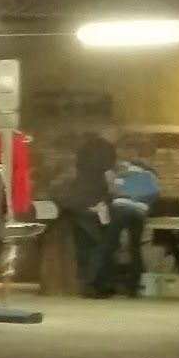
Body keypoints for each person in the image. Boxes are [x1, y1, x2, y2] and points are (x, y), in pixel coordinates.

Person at [68, 127, 119, 298]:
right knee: (100, 244)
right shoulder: (108, 149)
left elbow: (77, 172)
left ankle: (85, 284)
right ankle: (97, 285)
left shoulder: (84, 148)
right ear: (110, 132)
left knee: (83, 246)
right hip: (96, 201)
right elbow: (109, 175)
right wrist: (114, 191)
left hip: (77, 200)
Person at [111, 147, 159, 298]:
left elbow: (114, 191)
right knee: (135, 248)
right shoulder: (150, 175)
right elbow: (154, 195)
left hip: (121, 209)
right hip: (139, 212)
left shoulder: (124, 171)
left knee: (110, 245)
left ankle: (108, 284)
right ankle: (133, 288)